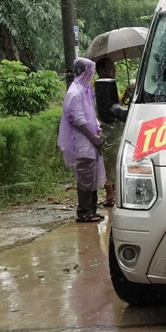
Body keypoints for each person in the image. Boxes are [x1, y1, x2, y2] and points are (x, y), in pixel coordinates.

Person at [59, 57, 105, 223]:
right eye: (90, 71)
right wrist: (93, 137)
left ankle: (92, 210)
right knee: (85, 178)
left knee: (91, 177)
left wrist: (98, 128)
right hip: (82, 143)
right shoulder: (75, 93)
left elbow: (90, 115)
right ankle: (84, 212)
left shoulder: (85, 91)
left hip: (90, 143)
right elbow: (77, 120)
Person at [95, 57, 125, 207]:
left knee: (116, 161)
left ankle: (116, 191)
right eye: (110, 67)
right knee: (107, 163)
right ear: (101, 71)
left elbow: (117, 105)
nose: (114, 70)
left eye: (114, 67)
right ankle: (110, 195)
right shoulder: (98, 87)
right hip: (106, 129)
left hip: (116, 131)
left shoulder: (112, 86)